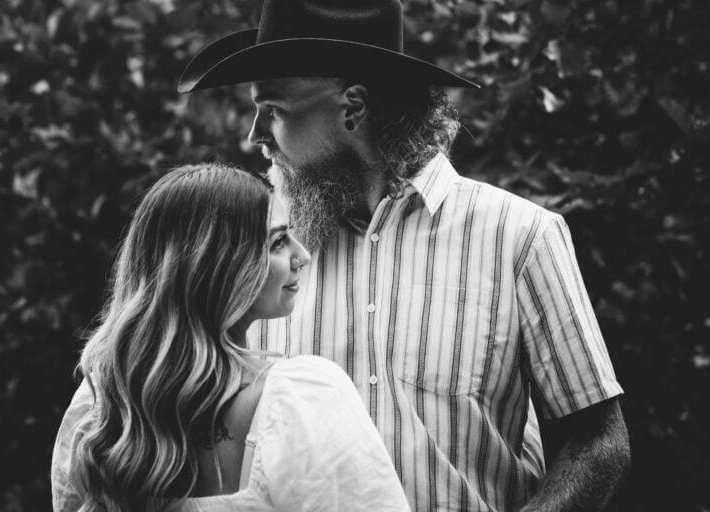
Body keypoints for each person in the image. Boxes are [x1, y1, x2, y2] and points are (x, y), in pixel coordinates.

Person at [177, 0, 631, 511]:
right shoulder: (253, 252)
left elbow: (598, 442)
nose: (255, 135)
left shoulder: (519, 237)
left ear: (353, 108)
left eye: (274, 109)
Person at [50, 164, 411, 511]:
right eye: (278, 242)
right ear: (221, 264)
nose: (301, 256)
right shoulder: (300, 399)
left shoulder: (101, 408)